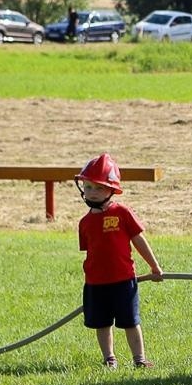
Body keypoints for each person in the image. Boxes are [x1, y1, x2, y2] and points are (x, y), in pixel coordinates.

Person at [75, 154, 163, 368]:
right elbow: (90, 251)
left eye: (99, 188)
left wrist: (154, 266)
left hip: (124, 281)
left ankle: (139, 359)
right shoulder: (85, 222)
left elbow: (138, 240)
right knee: (102, 323)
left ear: (112, 189)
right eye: (88, 187)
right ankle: (109, 358)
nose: (92, 192)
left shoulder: (122, 213)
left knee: (130, 321)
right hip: (95, 283)